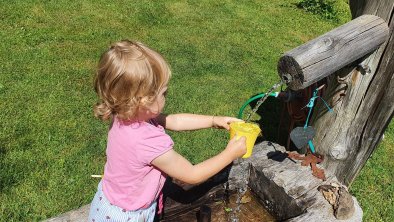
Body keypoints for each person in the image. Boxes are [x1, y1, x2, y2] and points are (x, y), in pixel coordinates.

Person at [88, 40, 247, 221]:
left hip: (108, 203)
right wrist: (230, 153)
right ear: (143, 101)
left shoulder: (125, 115)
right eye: (164, 93)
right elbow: (192, 175)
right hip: (129, 216)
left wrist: (212, 120)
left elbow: (175, 120)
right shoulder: (147, 141)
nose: (167, 96)